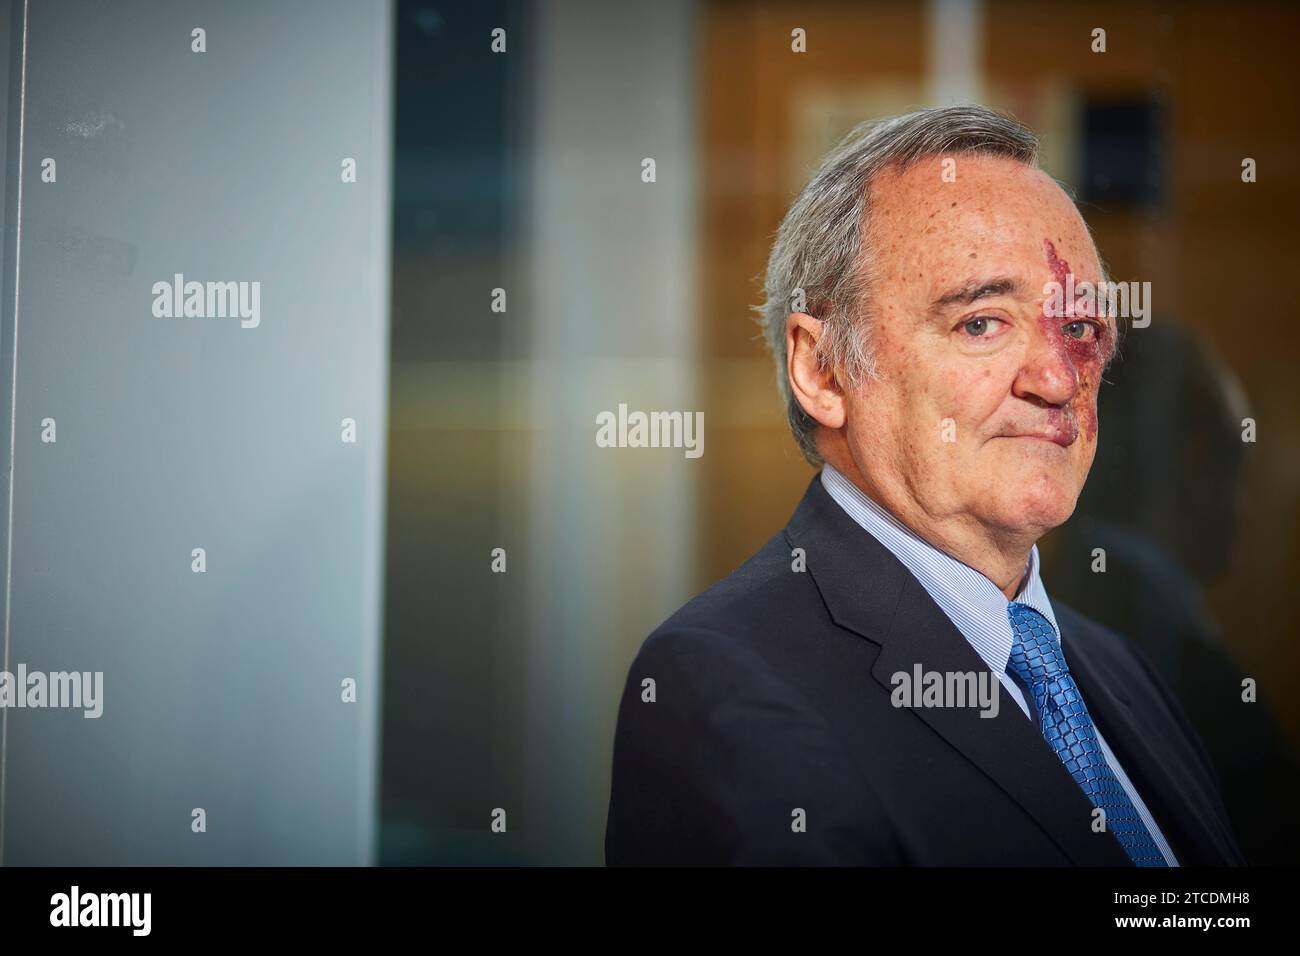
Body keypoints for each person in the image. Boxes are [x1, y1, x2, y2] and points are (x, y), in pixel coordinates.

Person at [604, 105, 1244, 866]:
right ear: (822, 367)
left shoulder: (1119, 669)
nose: (1053, 380)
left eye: (1078, 329)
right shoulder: (723, 683)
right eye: (981, 322)